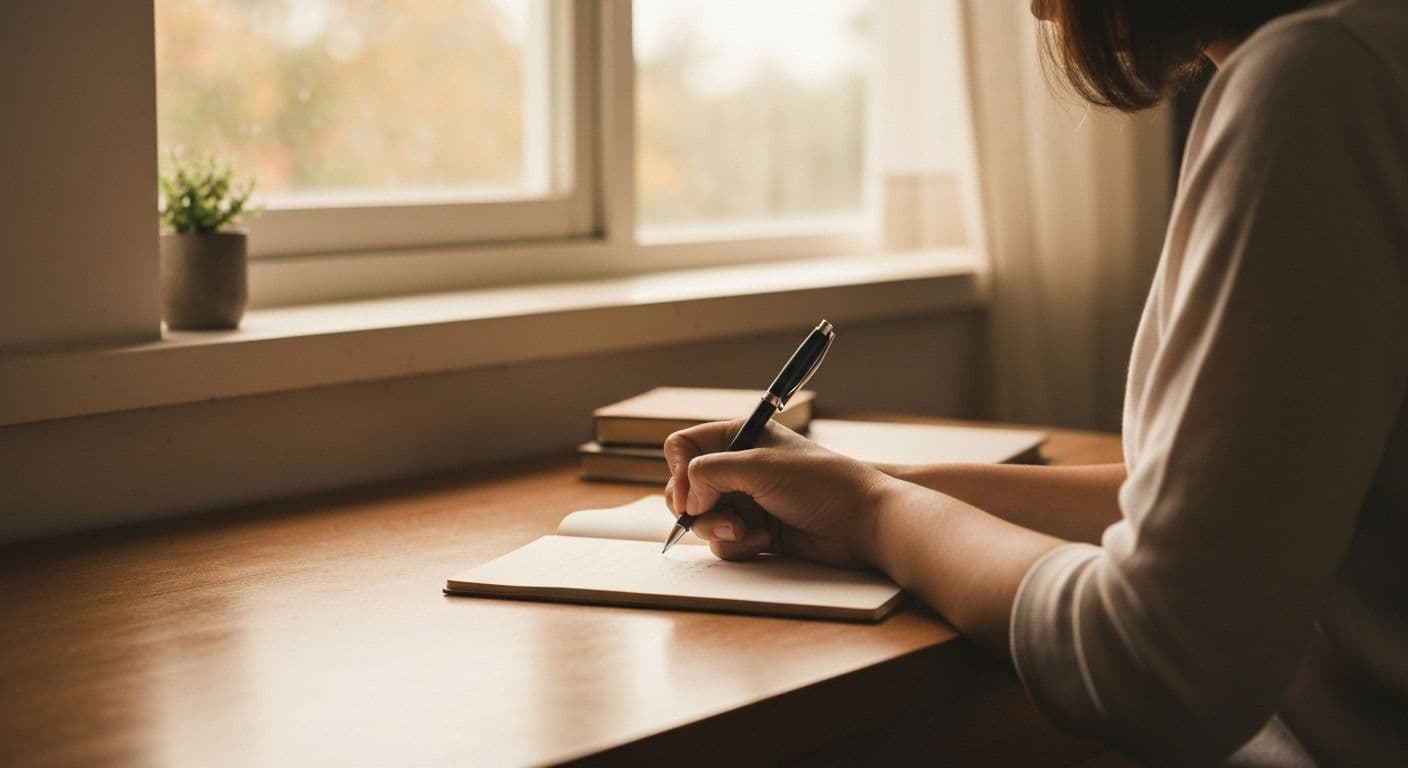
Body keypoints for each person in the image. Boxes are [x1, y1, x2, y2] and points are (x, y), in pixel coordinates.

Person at [662, 0, 1408, 764]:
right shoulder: (1365, 56)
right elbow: (1228, 508)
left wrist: (871, 512)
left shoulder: (1323, 80)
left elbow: (1160, 662)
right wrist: (862, 484)